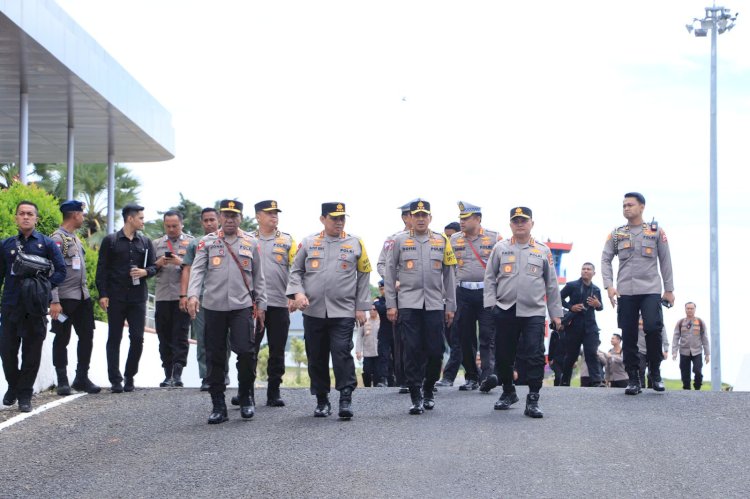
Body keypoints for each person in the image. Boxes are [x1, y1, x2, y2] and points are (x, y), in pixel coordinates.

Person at [287, 202, 371, 419]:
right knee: (316, 356)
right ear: (323, 219)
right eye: (334, 218)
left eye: (342, 217)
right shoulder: (308, 242)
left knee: (342, 352)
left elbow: (364, 275)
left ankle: (345, 397)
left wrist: (361, 307)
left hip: (343, 311)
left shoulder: (355, 243)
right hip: (313, 310)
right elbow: (295, 272)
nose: (339, 222)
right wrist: (298, 294)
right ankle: (322, 400)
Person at [187, 199, 266, 424]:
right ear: (220, 217)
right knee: (215, 356)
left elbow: (259, 278)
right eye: (226, 216)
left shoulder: (251, 243)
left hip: (242, 307)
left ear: (240, 218)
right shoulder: (207, 242)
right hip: (214, 307)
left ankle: (246, 397)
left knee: (246, 353)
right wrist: (193, 295)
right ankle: (218, 405)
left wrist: (262, 305)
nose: (230, 220)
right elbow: (198, 270)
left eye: (234, 216)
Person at [484, 207, 563, 418]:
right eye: (516, 220)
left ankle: (533, 398)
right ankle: (508, 392)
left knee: (535, 355)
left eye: (524, 220)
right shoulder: (500, 248)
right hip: (505, 309)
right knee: (503, 355)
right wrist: (491, 304)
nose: (520, 224)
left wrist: (556, 314)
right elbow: (490, 278)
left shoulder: (542, 250)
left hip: (534, 312)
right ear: (510, 224)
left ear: (532, 224)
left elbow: (551, 284)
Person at [384, 199, 457, 415]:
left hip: (435, 304)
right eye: (417, 215)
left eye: (424, 215)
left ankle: (428, 387)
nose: (421, 219)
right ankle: (415, 393)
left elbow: (449, 274)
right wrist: (391, 304)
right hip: (408, 304)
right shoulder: (398, 241)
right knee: (412, 349)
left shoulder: (442, 241)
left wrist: (450, 305)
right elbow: (389, 273)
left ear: (430, 218)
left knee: (436, 350)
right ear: (410, 218)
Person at [601, 192, 674, 395]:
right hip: (626, 291)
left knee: (652, 328)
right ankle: (633, 378)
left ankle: (655, 373)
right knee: (630, 334)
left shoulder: (655, 232)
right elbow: (605, 259)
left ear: (642, 207)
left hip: (650, 290)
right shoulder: (617, 234)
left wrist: (669, 289)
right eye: (624, 205)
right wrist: (609, 285)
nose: (626, 208)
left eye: (630, 205)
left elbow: (665, 260)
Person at [0, 201, 66, 412]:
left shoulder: (46, 244)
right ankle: (13, 385)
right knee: (7, 351)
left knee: (32, 352)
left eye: (30, 214)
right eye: (22, 214)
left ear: (36, 218)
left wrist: (44, 289)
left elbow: (61, 271)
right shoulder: (6, 244)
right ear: (16, 218)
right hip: (11, 306)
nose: (26, 217)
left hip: (35, 309)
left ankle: (25, 394)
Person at [96, 203, 156, 393]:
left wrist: (145, 271)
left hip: (138, 298)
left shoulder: (146, 242)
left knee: (137, 338)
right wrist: (103, 294)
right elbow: (102, 269)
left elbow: (155, 267)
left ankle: (130, 375)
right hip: (116, 297)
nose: (143, 221)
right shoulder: (111, 241)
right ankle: (115, 380)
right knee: (114, 337)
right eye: (141, 218)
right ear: (130, 218)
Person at [243, 200, 296, 406]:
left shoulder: (288, 240)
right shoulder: (247, 239)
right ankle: (247, 391)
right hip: (252, 304)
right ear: (258, 216)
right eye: (269, 213)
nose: (274, 216)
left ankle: (274, 392)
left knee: (277, 349)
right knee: (249, 350)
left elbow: (297, 269)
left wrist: (293, 294)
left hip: (279, 302)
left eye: (276, 213)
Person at [49, 200, 100, 395]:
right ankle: (62, 380)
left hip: (82, 298)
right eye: (81, 213)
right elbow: (52, 270)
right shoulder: (57, 239)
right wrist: (54, 301)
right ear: (74, 215)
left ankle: (81, 377)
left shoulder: (76, 239)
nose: (83, 217)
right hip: (63, 300)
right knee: (62, 338)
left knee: (87, 336)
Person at [450, 201, 501, 392]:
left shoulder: (495, 238)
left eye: (466, 218)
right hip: (462, 292)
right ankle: (471, 376)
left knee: (488, 336)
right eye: (460, 219)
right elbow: (449, 269)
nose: (461, 222)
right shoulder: (454, 240)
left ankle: (488, 376)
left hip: (486, 292)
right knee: (465, 336)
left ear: (477, 219)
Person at [180, 207, 228, 390]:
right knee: (204, 338)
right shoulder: (196, 244)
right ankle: (207, 376)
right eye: (205, 220)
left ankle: (222, 374)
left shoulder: (229, 241)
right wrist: (184, 295)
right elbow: (187, 269)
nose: (209, 224)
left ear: (219, 220)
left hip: (225, 298)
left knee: (226, 339)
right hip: (201, 298)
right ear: (202, 222)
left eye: (212, 220)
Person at [377, 199, 415, 394]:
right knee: (402, 338)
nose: (418, 217)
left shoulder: (434, 238)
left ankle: (425, 377)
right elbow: (381, 265)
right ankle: (405, 378)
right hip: (401, 294)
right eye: (413, 214)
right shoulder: (393, 239)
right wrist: (393, 281)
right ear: (405, 217)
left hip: (425, 295)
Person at [153, 210, 194, 388]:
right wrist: (158, 263)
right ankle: (166, 373)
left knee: (180, 336)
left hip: (181, 296)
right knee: (164, 337)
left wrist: (181, 262)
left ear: (181, 224)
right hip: (162, 296)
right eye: (168, 226)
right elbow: (148, 269)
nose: (171, 229)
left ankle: (177, 374)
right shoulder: (156, 244)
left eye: (175, 226)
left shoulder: (191, 243)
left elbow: (197, 269)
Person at [559, 263, 604, 387]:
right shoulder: (572, 285)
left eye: (588, 269)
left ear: (593, 273)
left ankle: (596, 381)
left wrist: (597, 304)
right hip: (574, 326)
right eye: (583, 269)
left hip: (591, 327)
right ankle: (565, 381)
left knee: (591, 353)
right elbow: (558, 298)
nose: (585, 271)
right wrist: (570, 307)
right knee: (571, 355)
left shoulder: (596, 289)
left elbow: (601, 307)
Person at [436, 221, 463, 387]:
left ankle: (449, 376)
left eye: (451, 236)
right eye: (446, 236)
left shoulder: (462, 255)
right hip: (443, 302)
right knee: (451, 341)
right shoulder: (440, 253)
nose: (448, 239)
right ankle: (477, 375)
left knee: (457, 340)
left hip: (461, 299)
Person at [672, 302, 710, 390]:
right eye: (688, 308)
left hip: (697, 351)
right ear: (685, 309)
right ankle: (686, 389)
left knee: (697, 370)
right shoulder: (680, 322)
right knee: (684, 372)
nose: (689, 310)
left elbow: (705, 338)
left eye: (691, 308)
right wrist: (674, 352)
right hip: (684, 351)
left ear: (695, 309)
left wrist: (707, 354)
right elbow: (676, 337)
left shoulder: (700, 322)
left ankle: (697, 386)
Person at [373, 280, 394, 387]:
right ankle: (383, 379)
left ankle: (398, 378)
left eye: (384, 288)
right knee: (383, 356)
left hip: (396, 331)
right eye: (381, 289)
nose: (382, 291)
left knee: (398, 356)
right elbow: (381, 309)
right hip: (384, 332)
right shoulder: (378, 299)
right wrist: (391, 306)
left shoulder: (396, 298)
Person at [637, 319, 669, 389]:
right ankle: (640, 388)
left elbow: (663, 334)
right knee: (640, 370)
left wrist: (665, 350)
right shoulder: (636, 317)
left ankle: (651, 388)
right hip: (640, 350)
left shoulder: (656, 318)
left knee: (651, 373)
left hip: (654, 349)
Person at [355, 303, 380, 387]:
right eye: (371, 309)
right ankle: (367, 388)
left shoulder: (381, 322)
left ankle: (378, 388)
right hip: (367, 353)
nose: (372, 311)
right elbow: (359, 337)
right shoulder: (364, 321)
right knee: (366, 372)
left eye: (375, 309)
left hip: (379, 352)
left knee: (378, 372)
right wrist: (358, 351)